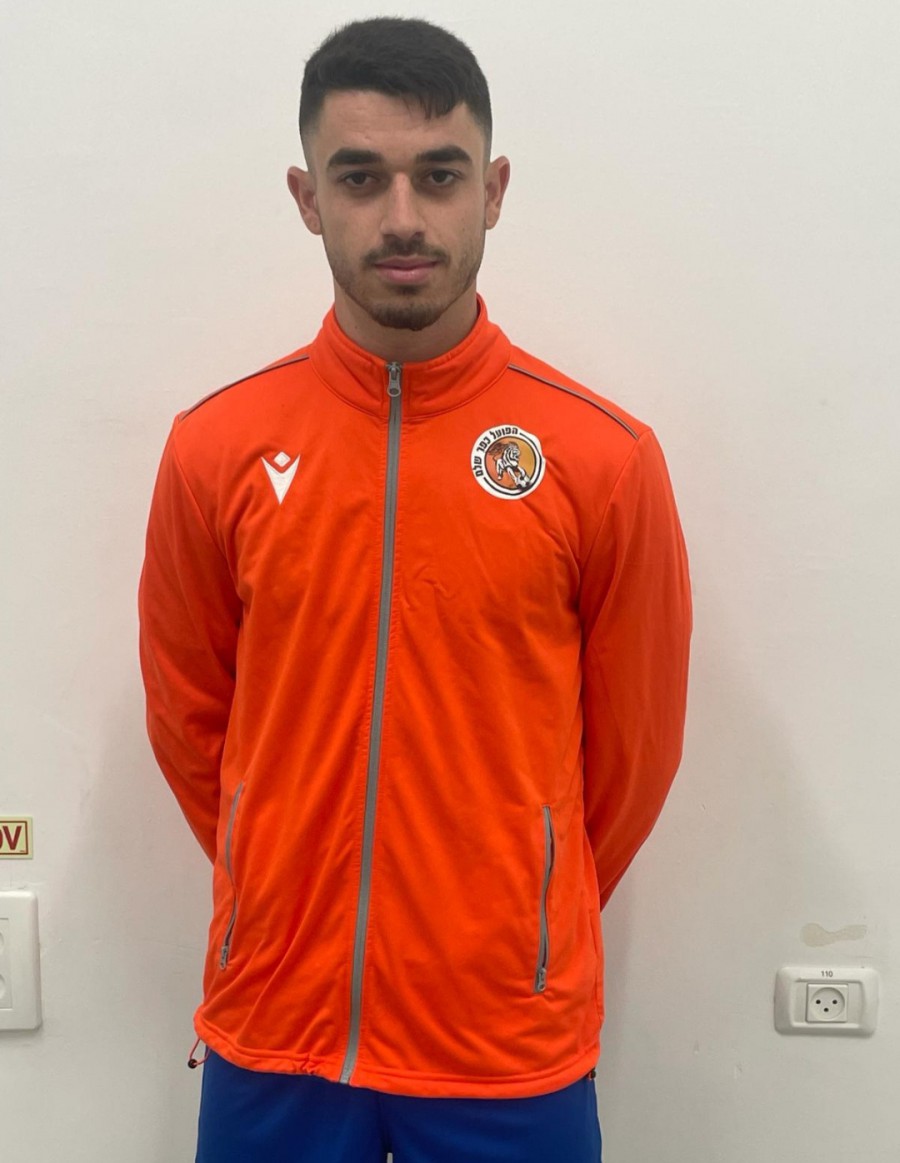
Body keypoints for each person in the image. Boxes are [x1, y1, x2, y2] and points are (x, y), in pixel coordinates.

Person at [138, 16, 691, 1163]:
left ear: (493, 190)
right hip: (275, 1025)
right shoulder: (215, 448)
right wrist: (280, 878)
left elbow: (629, 756)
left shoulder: (602, 458)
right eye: (360, 178)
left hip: (504, 1040)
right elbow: (193, 722)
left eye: (438, 176)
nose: (402, 216)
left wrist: (517, 913)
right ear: (307, 198)